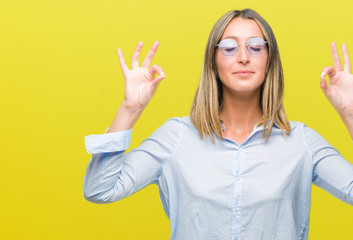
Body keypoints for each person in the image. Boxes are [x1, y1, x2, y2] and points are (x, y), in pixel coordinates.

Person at [83, 8, 353, 240]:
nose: (243, 57)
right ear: (213, 61)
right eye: (229, 48)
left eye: (256, 46)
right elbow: (99, 190)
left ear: (269, 60)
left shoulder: (300, 142)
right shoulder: (175, 136)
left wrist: (351, 113)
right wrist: (129, 109)